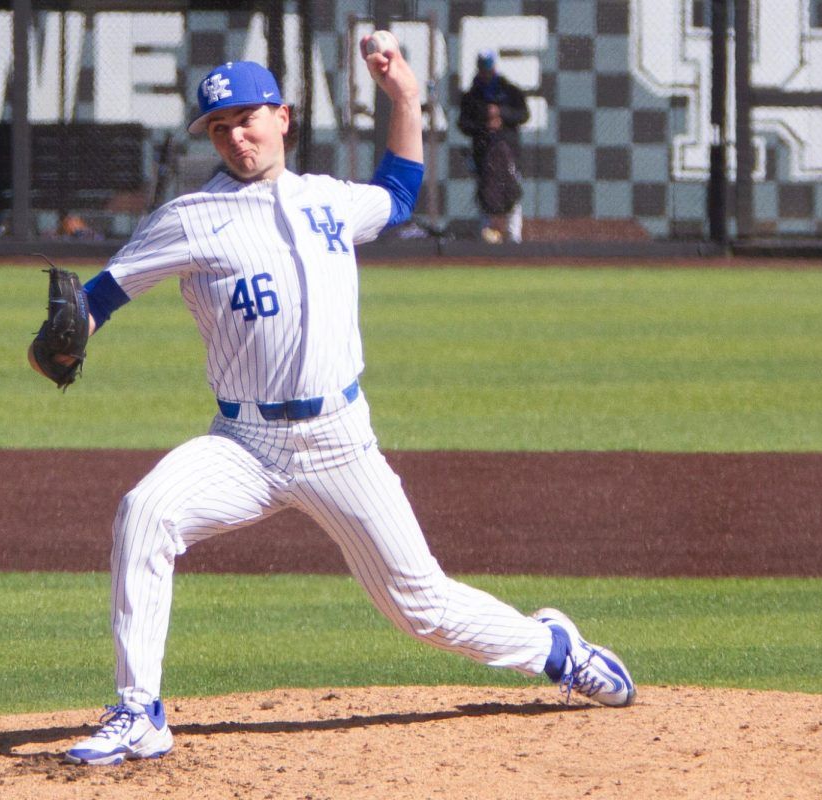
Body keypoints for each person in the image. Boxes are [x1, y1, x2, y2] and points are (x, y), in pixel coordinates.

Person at [41, 41, 634, 768]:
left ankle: (553, 648)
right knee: (146, 513)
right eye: (219, 126)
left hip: (340, 444)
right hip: (243, 445)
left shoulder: (328, 200)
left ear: (282, 117)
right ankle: (139, 713)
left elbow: (399, 192)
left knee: (421, 610)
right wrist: (64, 341)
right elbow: (96, 298)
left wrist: (405, 101)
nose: (235, 136)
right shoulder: (188, 219)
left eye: (247, 118)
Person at [458, 50, 529, 243]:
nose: (486, 72)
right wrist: (485, 123)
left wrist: (501, 114)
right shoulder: (472, 96)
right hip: (483, 151)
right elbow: (464, 124)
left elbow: (523, 114)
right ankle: (485, 238)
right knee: (484, 193)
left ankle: (514, 238)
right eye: (483, 68)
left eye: (488, 67)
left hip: (508, 151)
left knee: (512, 192)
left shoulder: (509, 91)